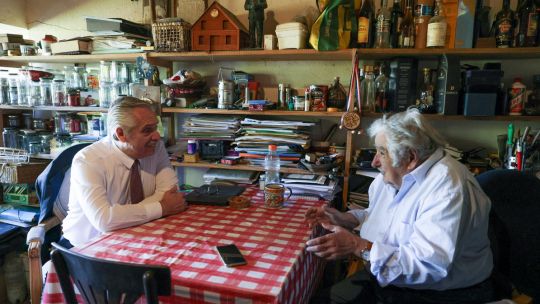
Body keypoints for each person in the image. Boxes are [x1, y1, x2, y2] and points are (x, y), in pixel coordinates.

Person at [305, 108, 495, 304]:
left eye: (382, 152)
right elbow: (381, 216)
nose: (374, 162)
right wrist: (347, 219)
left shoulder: (447, 186)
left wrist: (356, 245)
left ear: (411, 158)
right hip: (391, 279)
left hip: (441, 294)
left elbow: (428, 266)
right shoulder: (394, 177)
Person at [62, 97, 187, 247]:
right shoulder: (88, 160)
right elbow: (104, 220)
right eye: (147, 130)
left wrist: (123, 216)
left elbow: (170, 193)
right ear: (121, 134)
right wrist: (162, 207)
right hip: (87, 249)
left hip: (137, 238)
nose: (157, 136)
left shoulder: (156, 147)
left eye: (155, 128)